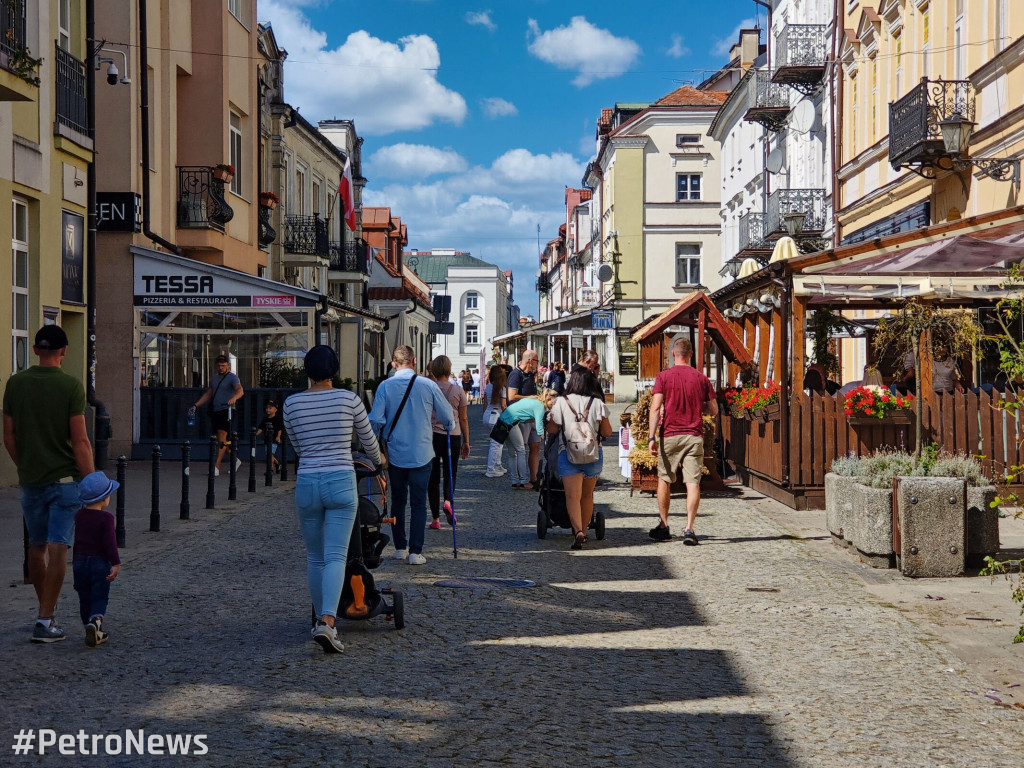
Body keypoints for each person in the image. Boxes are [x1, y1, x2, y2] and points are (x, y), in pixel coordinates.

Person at [283, 345, 383, 654]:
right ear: (335, 370)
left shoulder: (291, 404)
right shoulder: (348, 399)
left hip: (309, 480)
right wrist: (378, 461)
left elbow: (297, 445)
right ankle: (328, 620)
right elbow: (367, 440)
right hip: (340, 479)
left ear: (306, 371)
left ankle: (319, 621)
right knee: (337, 555)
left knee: (315, 556)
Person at [3, 325, 95, 643]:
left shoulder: (14, 384)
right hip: (66, 480)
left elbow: (9, 436)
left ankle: (46, 614)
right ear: (64, 352)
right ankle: (45, 620)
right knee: (58, 547)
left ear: (35, 350)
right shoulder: (71, 386)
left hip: (31, 480)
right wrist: (93, 481)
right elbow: (80, 440)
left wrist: (26, 466)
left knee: (36, 546)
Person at [369, 345, 455, 566]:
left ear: (393, 364)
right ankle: (416, 552)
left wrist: (375, 444)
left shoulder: (385, 387)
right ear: (415, 361)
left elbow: (375, 419)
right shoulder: (428, 385)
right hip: (422, 452)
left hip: (396, 453)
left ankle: (399, 548)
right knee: (418, 503)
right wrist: (446, 424)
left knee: (398, 500)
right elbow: (447, 416)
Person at [647, 338, 717, 545]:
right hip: (694, 435)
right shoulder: (701, 378)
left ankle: (664, 525)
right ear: (691, 354)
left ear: (673, 354)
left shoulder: (664, 377)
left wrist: (651, 436)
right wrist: (698, 409)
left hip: (669, 434)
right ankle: (689, 528)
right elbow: (713, 410)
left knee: (664, 479)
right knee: (692, 482)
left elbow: (655, 408)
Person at [546, 368, 612, 549]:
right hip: (592, 454)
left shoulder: (561, 402)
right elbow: (607, 432)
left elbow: (552, 430)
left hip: (568, 454)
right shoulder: (597, 403)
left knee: (572, 496)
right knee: (587, 496)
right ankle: (584, 529)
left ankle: (578, 532)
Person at [72, 471, 121, 648]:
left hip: (79, 562)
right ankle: (96, 621)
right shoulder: (106, 518)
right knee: (99, 595)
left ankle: (90, 627)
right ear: (104, 499)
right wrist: (115, 563)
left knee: (84, 596)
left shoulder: (79, 515)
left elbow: (77, 540)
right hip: (99, 562)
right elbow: (110, 542)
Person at [427, 356, 470, 530]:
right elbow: (464, 418)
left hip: (432, 436)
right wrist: (466, 441)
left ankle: (435, 519)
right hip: (453, 435)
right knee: (451, 472)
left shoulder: (429, 389)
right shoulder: (458, 390)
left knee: (433, 475)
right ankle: (447, 501)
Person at [190, 354, 244, 477]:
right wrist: (196, 405)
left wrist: (234, 398)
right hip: (216, 411)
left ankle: (216, 466)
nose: (221, 368)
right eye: (219, 366)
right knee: (220, 440)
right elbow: (209, 393)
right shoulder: (214, 378)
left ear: (228, 366)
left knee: (221, 438)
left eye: (223, 366)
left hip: (227, 410)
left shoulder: (232, 378)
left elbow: (240, 390)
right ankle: (235, 460)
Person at [494, 390, 558, 488]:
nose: (553, 407)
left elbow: (525, 417)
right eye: (553, 404)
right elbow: (539, 428)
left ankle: (515, 481)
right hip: (510, 422)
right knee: (521, 451)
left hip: (502, 421)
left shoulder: (533, 400)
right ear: (548, 399)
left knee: (512, 454)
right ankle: (524, 481)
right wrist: (547, 439)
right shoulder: (539, 406)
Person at [507, 349, 541, 485]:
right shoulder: (515, 374)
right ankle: (521, 479)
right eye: (537, 361)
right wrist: (531, 398)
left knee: (536, 446)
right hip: (521, 417)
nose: (538, 364)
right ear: (530, 361)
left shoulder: (531, 374)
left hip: (532, 417)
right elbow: (511, 396)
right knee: (521, 448)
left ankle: (534, 478)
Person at [482, 365, 508, 477]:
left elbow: (485, 404)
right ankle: (491, 469)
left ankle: (497, 465)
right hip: (497, 416)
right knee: (495, 444)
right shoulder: (502, 389)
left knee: (498, 443)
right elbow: (503, 406)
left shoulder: (488, 387)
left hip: (487, 415)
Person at [256, 399, 285, 472]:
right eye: (267, 408)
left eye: (270, 408)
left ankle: (270, 469)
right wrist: (255, 434)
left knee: (270, 454)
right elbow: (261, 428)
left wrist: (278, 437)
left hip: (274, 439)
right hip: (267, 439)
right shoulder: (265, 419)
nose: (268, 410)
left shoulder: (277, 419)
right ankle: (278, 463)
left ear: (275, 409)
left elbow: (279, 429)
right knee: (269, 454)